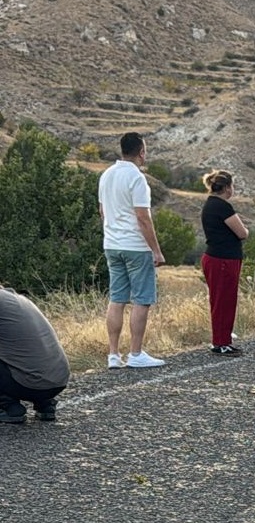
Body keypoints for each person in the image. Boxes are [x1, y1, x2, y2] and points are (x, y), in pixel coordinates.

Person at [98, 131, 166, 369]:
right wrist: (155, 250)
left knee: (116, 298)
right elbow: (143, 218)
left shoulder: (106, 175)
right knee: (141, 299)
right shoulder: (137, 178)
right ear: (141, 152)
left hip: (112, 244)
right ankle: (136, 353)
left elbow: (103, 211)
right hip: (135, 246)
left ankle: (114, 354)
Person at [0, 287, 70, 423]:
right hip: (57, 380)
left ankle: (8, 406)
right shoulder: (16, 299)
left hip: (29, 383)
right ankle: (45, 403)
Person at [199, 169, 249, 356]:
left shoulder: (210, 204)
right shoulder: (222, 206)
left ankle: (223, 339)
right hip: (223, 259)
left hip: (218, 257)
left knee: (222, 300)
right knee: (224, 301)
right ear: (227, 187)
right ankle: (221, 342)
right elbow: (242, 233)